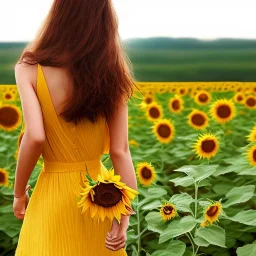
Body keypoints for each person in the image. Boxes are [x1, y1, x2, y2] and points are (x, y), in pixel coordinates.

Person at [13, 0, 138, 255]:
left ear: (58, 14)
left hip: (52, 195)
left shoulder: (28, 68)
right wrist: (123, 220)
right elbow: (120, 152)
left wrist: (18, 193)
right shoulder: (112, 71)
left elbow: (35, 137)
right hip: (101, 197)